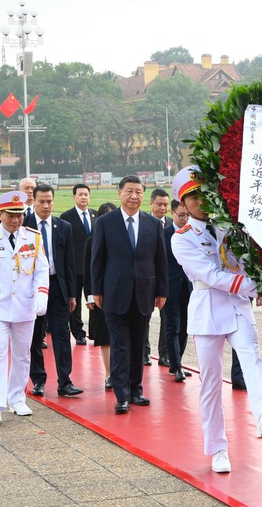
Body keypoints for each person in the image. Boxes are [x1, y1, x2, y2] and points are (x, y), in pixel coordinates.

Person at [169, 166, 262, 474]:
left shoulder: (229, 227)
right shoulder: (181, 239)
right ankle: (218, 448)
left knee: (252, 358)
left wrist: (255, 280)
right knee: (211, 383)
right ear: (183, 203)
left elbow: (243, 262)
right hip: (207, 311)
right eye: (192, 197)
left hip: (237, 307)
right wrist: (256, 286)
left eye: (204, 193)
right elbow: (212, 276)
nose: (200, 201)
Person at [91, 175, 168, 414]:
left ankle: (136, 390)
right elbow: (97, 259)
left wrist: (162, 291)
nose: (134, 196)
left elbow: (160, 261)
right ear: (119, 193)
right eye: (129, 191)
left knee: (138, 345)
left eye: (138, 192)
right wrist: (96, 290)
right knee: (120, 345)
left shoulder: (153, 224)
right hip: (114, 293)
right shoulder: (105, 222)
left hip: (144, 294)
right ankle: (121, 395)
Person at [0, 190, 49, 423]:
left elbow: (41, 270)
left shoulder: (33, 237)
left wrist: (41, 296)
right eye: (10, 215)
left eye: (20, 215)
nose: (15, 220)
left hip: (25, 306)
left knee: (23, 355)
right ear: (0, 214)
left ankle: (17, 398)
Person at [25, 183, 83, 398]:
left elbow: (69, 263)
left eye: (49, 201)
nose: (46, 205)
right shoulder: (25, 225)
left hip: (57, 287)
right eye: (41, 202)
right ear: (34, 201)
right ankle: (38, 379)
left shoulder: (63, 226)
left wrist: (72, 294)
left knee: (61, 334)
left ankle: (65, 381)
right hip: (32, 289)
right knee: (34, 335)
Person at [83, 202, 117, 389]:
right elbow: (89, 271)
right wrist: (89, 295)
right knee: (105, 336)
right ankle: (109, 374)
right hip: (100, 296)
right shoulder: (91, 240)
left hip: (120, 293)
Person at [59, 183, 96, 346]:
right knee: (75, 302)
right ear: (74, 196)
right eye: (80, 194)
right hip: (74, 267)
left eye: (86, 194)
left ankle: (94, 331)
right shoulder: (66, 217)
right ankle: (78, 332)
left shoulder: (96, 216)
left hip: (92, 267)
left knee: (93, 299)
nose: (83, 197)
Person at [163, 199, 192, 382]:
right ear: (173, 213)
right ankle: (175, 366)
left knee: (185, 327)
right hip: (170, 288)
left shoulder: (191, 233)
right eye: (181, 215)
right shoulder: (164, 234)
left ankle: (178, 361)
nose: (185, 219)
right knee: (172, 326)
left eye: (187, 215)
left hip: (189, 288)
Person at [145, 188, 172, 366]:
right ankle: (144, 352)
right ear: (151, 203)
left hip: (167, 278)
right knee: (144, 318)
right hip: (147, 278)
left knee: (167, 320)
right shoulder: (143, 222)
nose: (162, 208)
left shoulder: (172, 224)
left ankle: (165, 354)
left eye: (165, 205)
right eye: (159, 204)